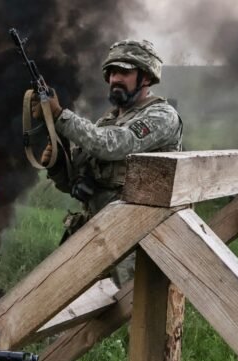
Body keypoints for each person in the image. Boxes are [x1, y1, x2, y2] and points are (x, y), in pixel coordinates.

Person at [35, 39, 183, 286]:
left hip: (134, 244)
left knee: (129, 307)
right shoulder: (107, 121)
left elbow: (112, 144)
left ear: (146, 77)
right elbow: (76, 183)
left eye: (124, 72)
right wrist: (58, 165)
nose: (115, 79)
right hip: (95, 237)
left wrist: (60, 115)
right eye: (112, 73)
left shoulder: (162, 115)